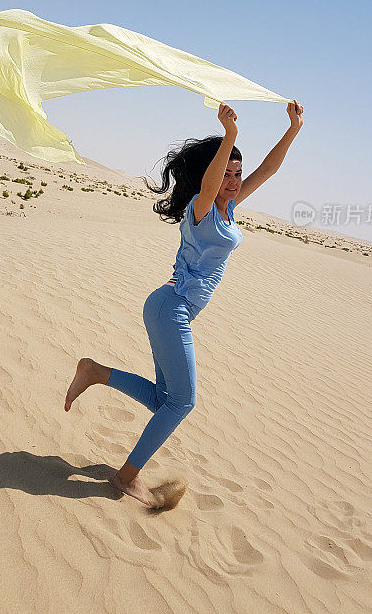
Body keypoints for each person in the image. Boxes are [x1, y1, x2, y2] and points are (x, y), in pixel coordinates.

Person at [64, 100, 304, 506]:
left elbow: (268, 169)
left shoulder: (228, 208)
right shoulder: (202, 207)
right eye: (225, 172)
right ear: (208, 177)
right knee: (184, 401)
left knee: (166, 399)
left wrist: (293, 129)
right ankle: (126, 476)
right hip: (170, 307)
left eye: (236, 173)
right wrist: (229, 136)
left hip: (172, 309)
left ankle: (94, 371)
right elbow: (211, 186)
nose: (233, 180)